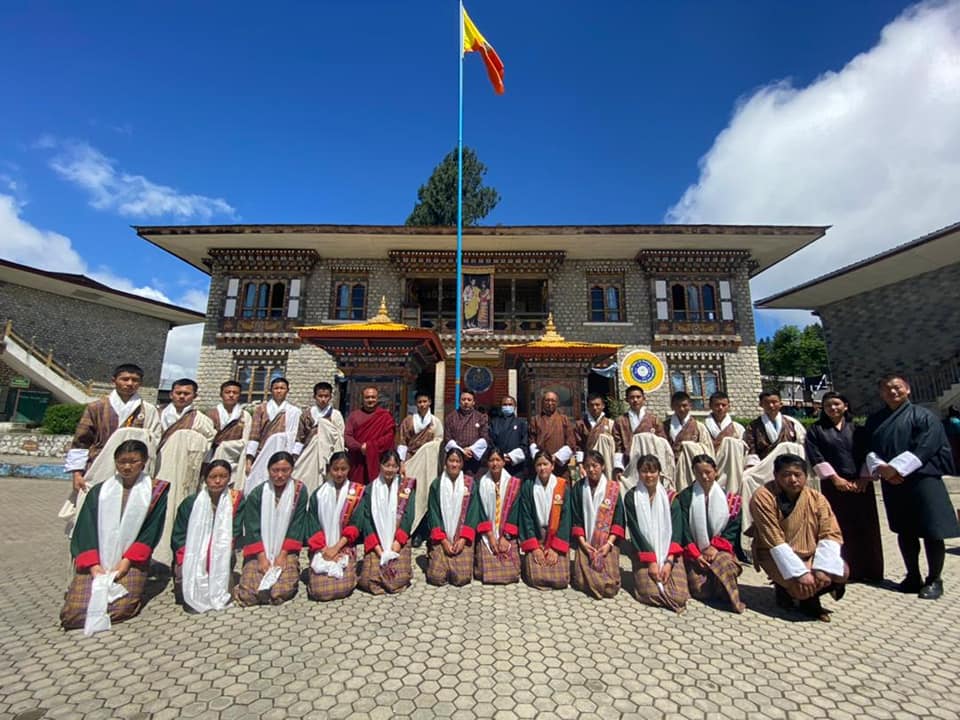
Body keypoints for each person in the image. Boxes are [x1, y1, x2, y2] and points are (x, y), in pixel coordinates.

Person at [865, 374, 960, 599]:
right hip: (893, 483)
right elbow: (868, 447)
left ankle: (934, 579)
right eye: (887, 389)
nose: (893, 392)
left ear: (907, 389)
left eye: (897, 388)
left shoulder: (924, 416)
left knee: (932, 530)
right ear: (881, 393)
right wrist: (881, 467)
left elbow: (927, 446)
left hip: (923, 480)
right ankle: (912, 575)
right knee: (904, 529)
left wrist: (898, 469)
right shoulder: (875, 420)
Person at [60, 440, 169, 634]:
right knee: (73, 614)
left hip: (130, 560)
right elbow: (86, 528)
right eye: (121, 462)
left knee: (121, 607)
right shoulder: (99, 492)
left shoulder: (156, 492)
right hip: (98, 559)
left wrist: (127, 562)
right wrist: (93, 565)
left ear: (143, 463)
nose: (127, 467)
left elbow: (151, 531)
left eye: (133, 461)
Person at [749, 454, 848, 621]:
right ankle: (799, 596)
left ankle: (798, 593)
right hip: (773, 553)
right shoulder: (763, 496)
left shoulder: (816, 498)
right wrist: (800, 572)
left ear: (806, 476)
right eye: (786, 475)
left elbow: (830, 532)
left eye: (797, 474)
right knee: (802, 587)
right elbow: (773, 539)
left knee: (842, 572)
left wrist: (822, 567)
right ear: (775, 476)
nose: (793, 479)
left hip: (810, 552)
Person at [805, 392, 883, 583]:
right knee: (838, 527)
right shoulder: (816, 430)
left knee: (866, 526)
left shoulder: (858, 428)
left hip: (861, 485)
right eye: (828, 405)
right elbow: (816, 456)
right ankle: (844, 570)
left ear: (845, 406)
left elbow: (869, 453)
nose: (832, 408)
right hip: (834, 487)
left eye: (836, 404)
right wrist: (834, 478)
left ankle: (871, 570)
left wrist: (864, 478)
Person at [65, 363, 161, 495]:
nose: (129, 383)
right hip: (99, 464)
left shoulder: (149, 410)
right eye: (125, 379)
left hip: (133, 469)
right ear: (114, 380)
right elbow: (81, 442)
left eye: (135, 380)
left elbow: (154, 440)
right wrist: (77, 474)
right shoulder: (96, 407)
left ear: (140, 383)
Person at [154, 378, 216, 567]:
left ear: (194, 396)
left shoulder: (201, 420)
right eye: (178, 392)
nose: (181, 396)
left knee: (181, 510)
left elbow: (208, 446)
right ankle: (154, 552)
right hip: (159, 469)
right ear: (171, 393)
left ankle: (180, 554)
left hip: (186, 474)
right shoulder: (157, 415)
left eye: (186, 393)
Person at [234, 451, 308, 606]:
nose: (280, 475)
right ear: (268, 470)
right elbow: (252, 528)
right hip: (259, 551)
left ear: (292, 470)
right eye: (275, 470)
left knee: (281, 591)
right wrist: (262, 558)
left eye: (285, 470)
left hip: (285, 550)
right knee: (248, 595)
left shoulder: (299, 491)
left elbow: (297, 526)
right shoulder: (257, 494)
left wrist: (283, 554)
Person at [674, 455, 746, 613]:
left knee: (726, 565)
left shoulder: (730, 499)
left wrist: (714, 548)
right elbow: (683, 529)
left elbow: (732, 529)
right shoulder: (685, 497)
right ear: (694, 473)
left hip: (719, 550)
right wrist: (696, 554)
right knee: (701, 591)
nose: (704, 477)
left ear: (716, 472)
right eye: (699, 473)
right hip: (694, 553)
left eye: (708, 472)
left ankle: (731, 599)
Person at [170, 460, 243, 613]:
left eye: (223, 476)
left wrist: (215, 550)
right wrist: (190, 557)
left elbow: (235, 532)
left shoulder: (236, 501)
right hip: (192, 553)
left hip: (221, 554)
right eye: (213, 477)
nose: (218, 481)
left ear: (229, 478)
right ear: (205, 478)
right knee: (187, 593)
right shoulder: (191, 503)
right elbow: (178, 536)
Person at [624, 455, 688, 612]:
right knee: (649, 593)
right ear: (638, 473)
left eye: (653, 471)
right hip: (644, 553)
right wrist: (652, 562)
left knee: (679, 596)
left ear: (659, 472)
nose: (649, 475)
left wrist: (669, 562)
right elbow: (636, 532)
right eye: (644, 471)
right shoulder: (632, 497)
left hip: (669, 554)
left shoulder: (671, 498)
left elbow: (677, 532)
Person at [305, 452, 366, 601]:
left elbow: (355, 525)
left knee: (342, 586)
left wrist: (336, 549)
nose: (339, 473)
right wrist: (326, 550)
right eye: (335, 469)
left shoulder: (356, 493)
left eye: (343, 469)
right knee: (320, 590)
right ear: (329, 469)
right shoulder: (318, 495)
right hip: (322, 547)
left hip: (344, 546)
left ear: (349, 469)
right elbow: (312, 525)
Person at [356, 449, 417, 594]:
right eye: (387, 465)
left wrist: (398, 542)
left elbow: (408, 516)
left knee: (398, 580)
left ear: (398, 467)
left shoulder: (406, 488)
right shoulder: (371, 489)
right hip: (377, 542)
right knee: (369, 580)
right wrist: (377, 547)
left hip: (397, 541)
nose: (390, 470)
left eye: (394, 466)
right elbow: (367, 519)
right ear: (380, 465)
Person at [570, 450, 625, 598]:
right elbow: (576, 518)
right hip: (586, 542)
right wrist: (582, 543)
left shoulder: (613, 489)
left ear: (603, 467)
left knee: (610, 587)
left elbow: (618, 520)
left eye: (594, 465)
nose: (591, 470)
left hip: (607, 543)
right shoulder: (578, 488)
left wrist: (609, 544)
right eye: (587, 466)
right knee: (580, 581)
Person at [518, 450, 572, 589]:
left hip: (555, 536)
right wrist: (535, 548)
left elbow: (566, 518)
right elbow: (526, 517)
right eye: (538, 465)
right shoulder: (528, 486)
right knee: (535, 577)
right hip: (536, 535)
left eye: (545, 464)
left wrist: (555, 549)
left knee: (561, 579)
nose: (542, 468)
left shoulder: (562, 486)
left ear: (552, 465)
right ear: (535, 467)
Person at [426, 448, 479, 586]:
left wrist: (462, 539)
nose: (454, 465)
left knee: (462, 578)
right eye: (451, 461)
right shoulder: (436, 485)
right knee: (435, 577)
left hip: (462, 538)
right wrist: (444, 541)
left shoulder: (470, 484)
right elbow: (433, 514)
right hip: (442, 538)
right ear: (446, 462)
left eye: (457, 461)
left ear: (462, 464)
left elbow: (473, 513)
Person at [474, 447, 523, 585]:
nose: (495, 463)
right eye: (491, 460)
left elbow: (515, 511)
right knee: (484, 571)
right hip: (487, 533)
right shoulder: (481, 483)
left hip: (506, 533)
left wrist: (506, 537)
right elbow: (480, 511)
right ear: (487, 463)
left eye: (498, 460)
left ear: (503, 462)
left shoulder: (513, 484)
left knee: (511, 572)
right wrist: (490, 536)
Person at [244, 378, 303, 494]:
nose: (279, 391)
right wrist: (249, 459)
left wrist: (294, 456)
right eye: (276, 388)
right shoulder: (261, 409)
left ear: (287, 390)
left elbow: (298, 436)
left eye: (282, 388)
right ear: (271, 390)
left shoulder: (294, 411)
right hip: (263, 452)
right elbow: (254, 433)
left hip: (285, 452)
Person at [396, 392, 443, 534]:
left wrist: (428, 449)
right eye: (420, 402)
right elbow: (403, 442)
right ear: (416, 404)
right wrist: (402, 462)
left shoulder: (435, 422)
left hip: (429, 463)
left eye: (425, 401)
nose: (422, 404)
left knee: (427, 493)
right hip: (411, 460)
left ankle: (424, 530)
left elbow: (439, 441)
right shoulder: (408, 421)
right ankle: (409, 527)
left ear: (430, 403)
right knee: (411, 494)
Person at [293, 382, 346, 494]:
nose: (323, 399)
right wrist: (295, 456)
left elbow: (340, 437)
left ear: (330, 397)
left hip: (328, 456)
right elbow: (300, 437)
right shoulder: (307, 414)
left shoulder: (335, 415)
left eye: (326, 396)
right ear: (314, 396)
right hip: (308, 453)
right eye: (320, 396)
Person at [613, 386, 670, 485]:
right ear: (627, 400)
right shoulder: (620, 421)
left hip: (651, 466)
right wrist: (618, 467)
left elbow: (662, 444)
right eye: (632, 397)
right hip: (629, 465)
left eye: (638, 397)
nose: (635, 400)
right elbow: (618, 446)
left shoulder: (654, 420)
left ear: (644, 398)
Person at [344, 386, 396, 485]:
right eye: (367, 397)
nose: (370, 400)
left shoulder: (385, 416)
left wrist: (369, 447)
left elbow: (389, 438)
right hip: (357, 461)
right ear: (362, 399)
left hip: (378, 461)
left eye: (373, 397)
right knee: (356, 492)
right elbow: (348, 436)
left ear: (377, 399)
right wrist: (360, 447)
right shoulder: (354, 416)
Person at [205, 380, 253, 489]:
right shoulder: (211, 414)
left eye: (235, 393)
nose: (231, 395)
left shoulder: (244, 416)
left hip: (235, 460)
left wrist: (226, 446)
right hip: (212, 457)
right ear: (221, 394)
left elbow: (246, 441)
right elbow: (207, 439)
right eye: (228, 392)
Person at [664, 391, 712, 491]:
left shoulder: (699, 427)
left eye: (684, 405)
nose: (681, 409)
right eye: (677, 406)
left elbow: (707, 450)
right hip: (671, 468)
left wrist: (689, 447)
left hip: (693, 469)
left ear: (690, 405)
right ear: (672, 406)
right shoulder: (664, 427)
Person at [744, 391, 807, 467]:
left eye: (774, 402)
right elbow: (751, 449)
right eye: (766, 403)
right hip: (764, 465)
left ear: (781, 403)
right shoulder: (753, 426)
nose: (771, 405)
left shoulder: (792, 423)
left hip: (790, 464)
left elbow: (801, 444)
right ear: (761, 404)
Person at [703, 391, 748, 495]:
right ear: (710, 406)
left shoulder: (737, 428)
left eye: (723, 405)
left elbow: (745, 452)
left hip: (731, 469)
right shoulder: (703, 427)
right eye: (717, 405)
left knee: (731, 443)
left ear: (728, 406)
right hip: (709, 466)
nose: (720, 408)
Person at [529, 391, 577, 479]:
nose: (550, 403)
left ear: (557, 403)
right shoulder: (535, 420)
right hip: (541, 466)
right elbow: (531, 441)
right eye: (547, 400)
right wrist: (541, 458)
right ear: (542, 402)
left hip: (559, 467)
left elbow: (571, 443)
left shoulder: (564, 419)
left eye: (553, 401)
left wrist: (555, 457)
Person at [443, 389, 490, 476]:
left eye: (469, 400)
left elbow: (485, 438)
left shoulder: (481, 417)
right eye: (463, 399)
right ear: (459, 401)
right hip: (455, 459)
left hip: (474, 459)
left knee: (472, 486)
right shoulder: (450, 417)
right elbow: (447, 439)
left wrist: (470, 449)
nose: (466, 402)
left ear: (474, 402)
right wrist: (461, 451)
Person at [488, 395, 530, 480]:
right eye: (505, 404)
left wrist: (511, 457)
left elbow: (525, 443)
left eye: (510, 404)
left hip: (517, 467)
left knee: (514, 491)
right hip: (498, 465)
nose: (507, 406)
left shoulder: (521, 423)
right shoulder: (494, 422)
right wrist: (500, 458)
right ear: (501, 406)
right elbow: (490, 442)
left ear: (515, 407)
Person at [574, 393, 616, 478]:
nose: (594, 408)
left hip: (606, 463)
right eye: (591, 405)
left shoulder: (610, 423)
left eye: (597, 405)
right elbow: (578, 445)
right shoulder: (581, 424)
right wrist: (580, 464)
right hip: (588, 464)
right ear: (587, 406)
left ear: (603, 406)